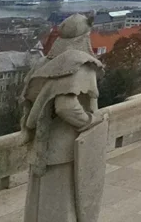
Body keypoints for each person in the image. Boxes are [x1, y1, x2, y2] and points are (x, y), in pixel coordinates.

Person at [21, 14, 105, 222]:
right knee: (61, 204)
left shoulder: (43, 63)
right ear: (85, 37)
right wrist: (90, 121)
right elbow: (65, 107)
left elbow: (27, 100)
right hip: (65, 146)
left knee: (38, 202)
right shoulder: (79, 64)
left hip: (42, 142)